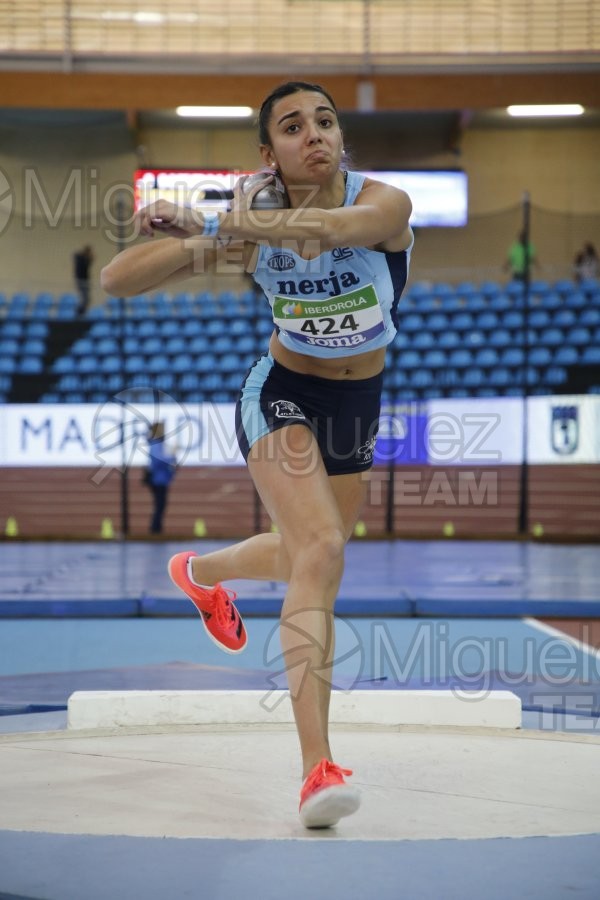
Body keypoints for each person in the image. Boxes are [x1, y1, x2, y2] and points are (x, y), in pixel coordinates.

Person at [101, 81, 413, 828]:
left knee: (307, 552)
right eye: (293, 126)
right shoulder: (250, 225)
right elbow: (116, 281)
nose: (316, 134)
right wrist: (208, 235)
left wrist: (233, 220)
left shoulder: (387, 206)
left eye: (326, 121)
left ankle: (201, 572)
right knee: (323, 550)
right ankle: (317, 770)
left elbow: (335, 230)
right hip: (280, 391)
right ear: (268, 153)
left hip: (356, 405)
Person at [144, 421, 177, 535]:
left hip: (161, 478)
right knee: (160, 504)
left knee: (161, 504)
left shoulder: (157, 443)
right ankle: (155, 528)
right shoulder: (156, 444)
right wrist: (172, 456)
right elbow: (158, 460)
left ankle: (156, 527)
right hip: (158, 479)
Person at [73, 244, 94, 315]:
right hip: (81, 281)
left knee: (86, 299)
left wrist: (89, 258)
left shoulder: (86, 260)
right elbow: (76, 255)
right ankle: (79, 313)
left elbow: (88, 264)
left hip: (85, 281)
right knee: (84, 298)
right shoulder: (80, 258)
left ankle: (81, 313)